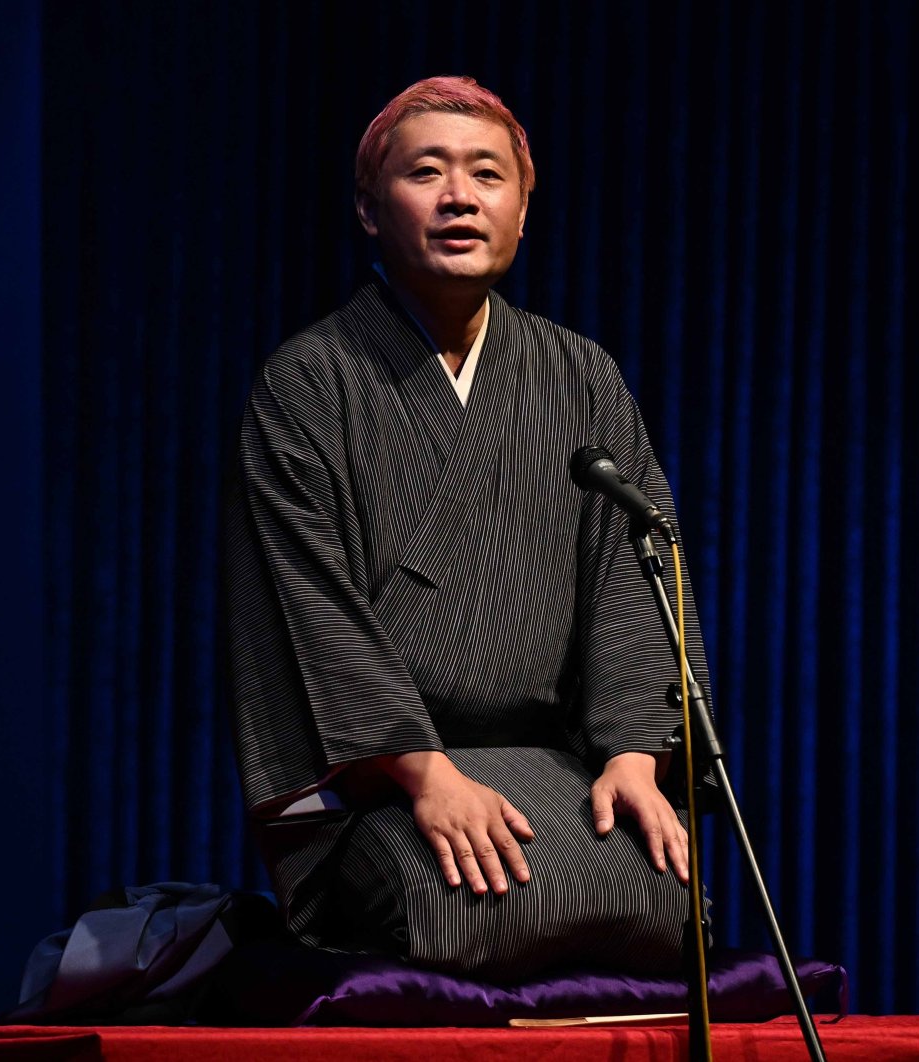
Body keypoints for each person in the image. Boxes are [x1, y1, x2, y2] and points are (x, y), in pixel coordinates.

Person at [225, 75, 710, 982]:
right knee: (449, 905)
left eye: (487, 174)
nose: (459, 196)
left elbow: (632, 583)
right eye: (427, 172)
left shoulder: (580, 377)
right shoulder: (308, 384)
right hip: (383, 781)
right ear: (370, 210)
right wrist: (425, 775)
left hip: (560, 771)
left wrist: (636, 758)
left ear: (523, 212)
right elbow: (312, 610)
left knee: (665, 894)